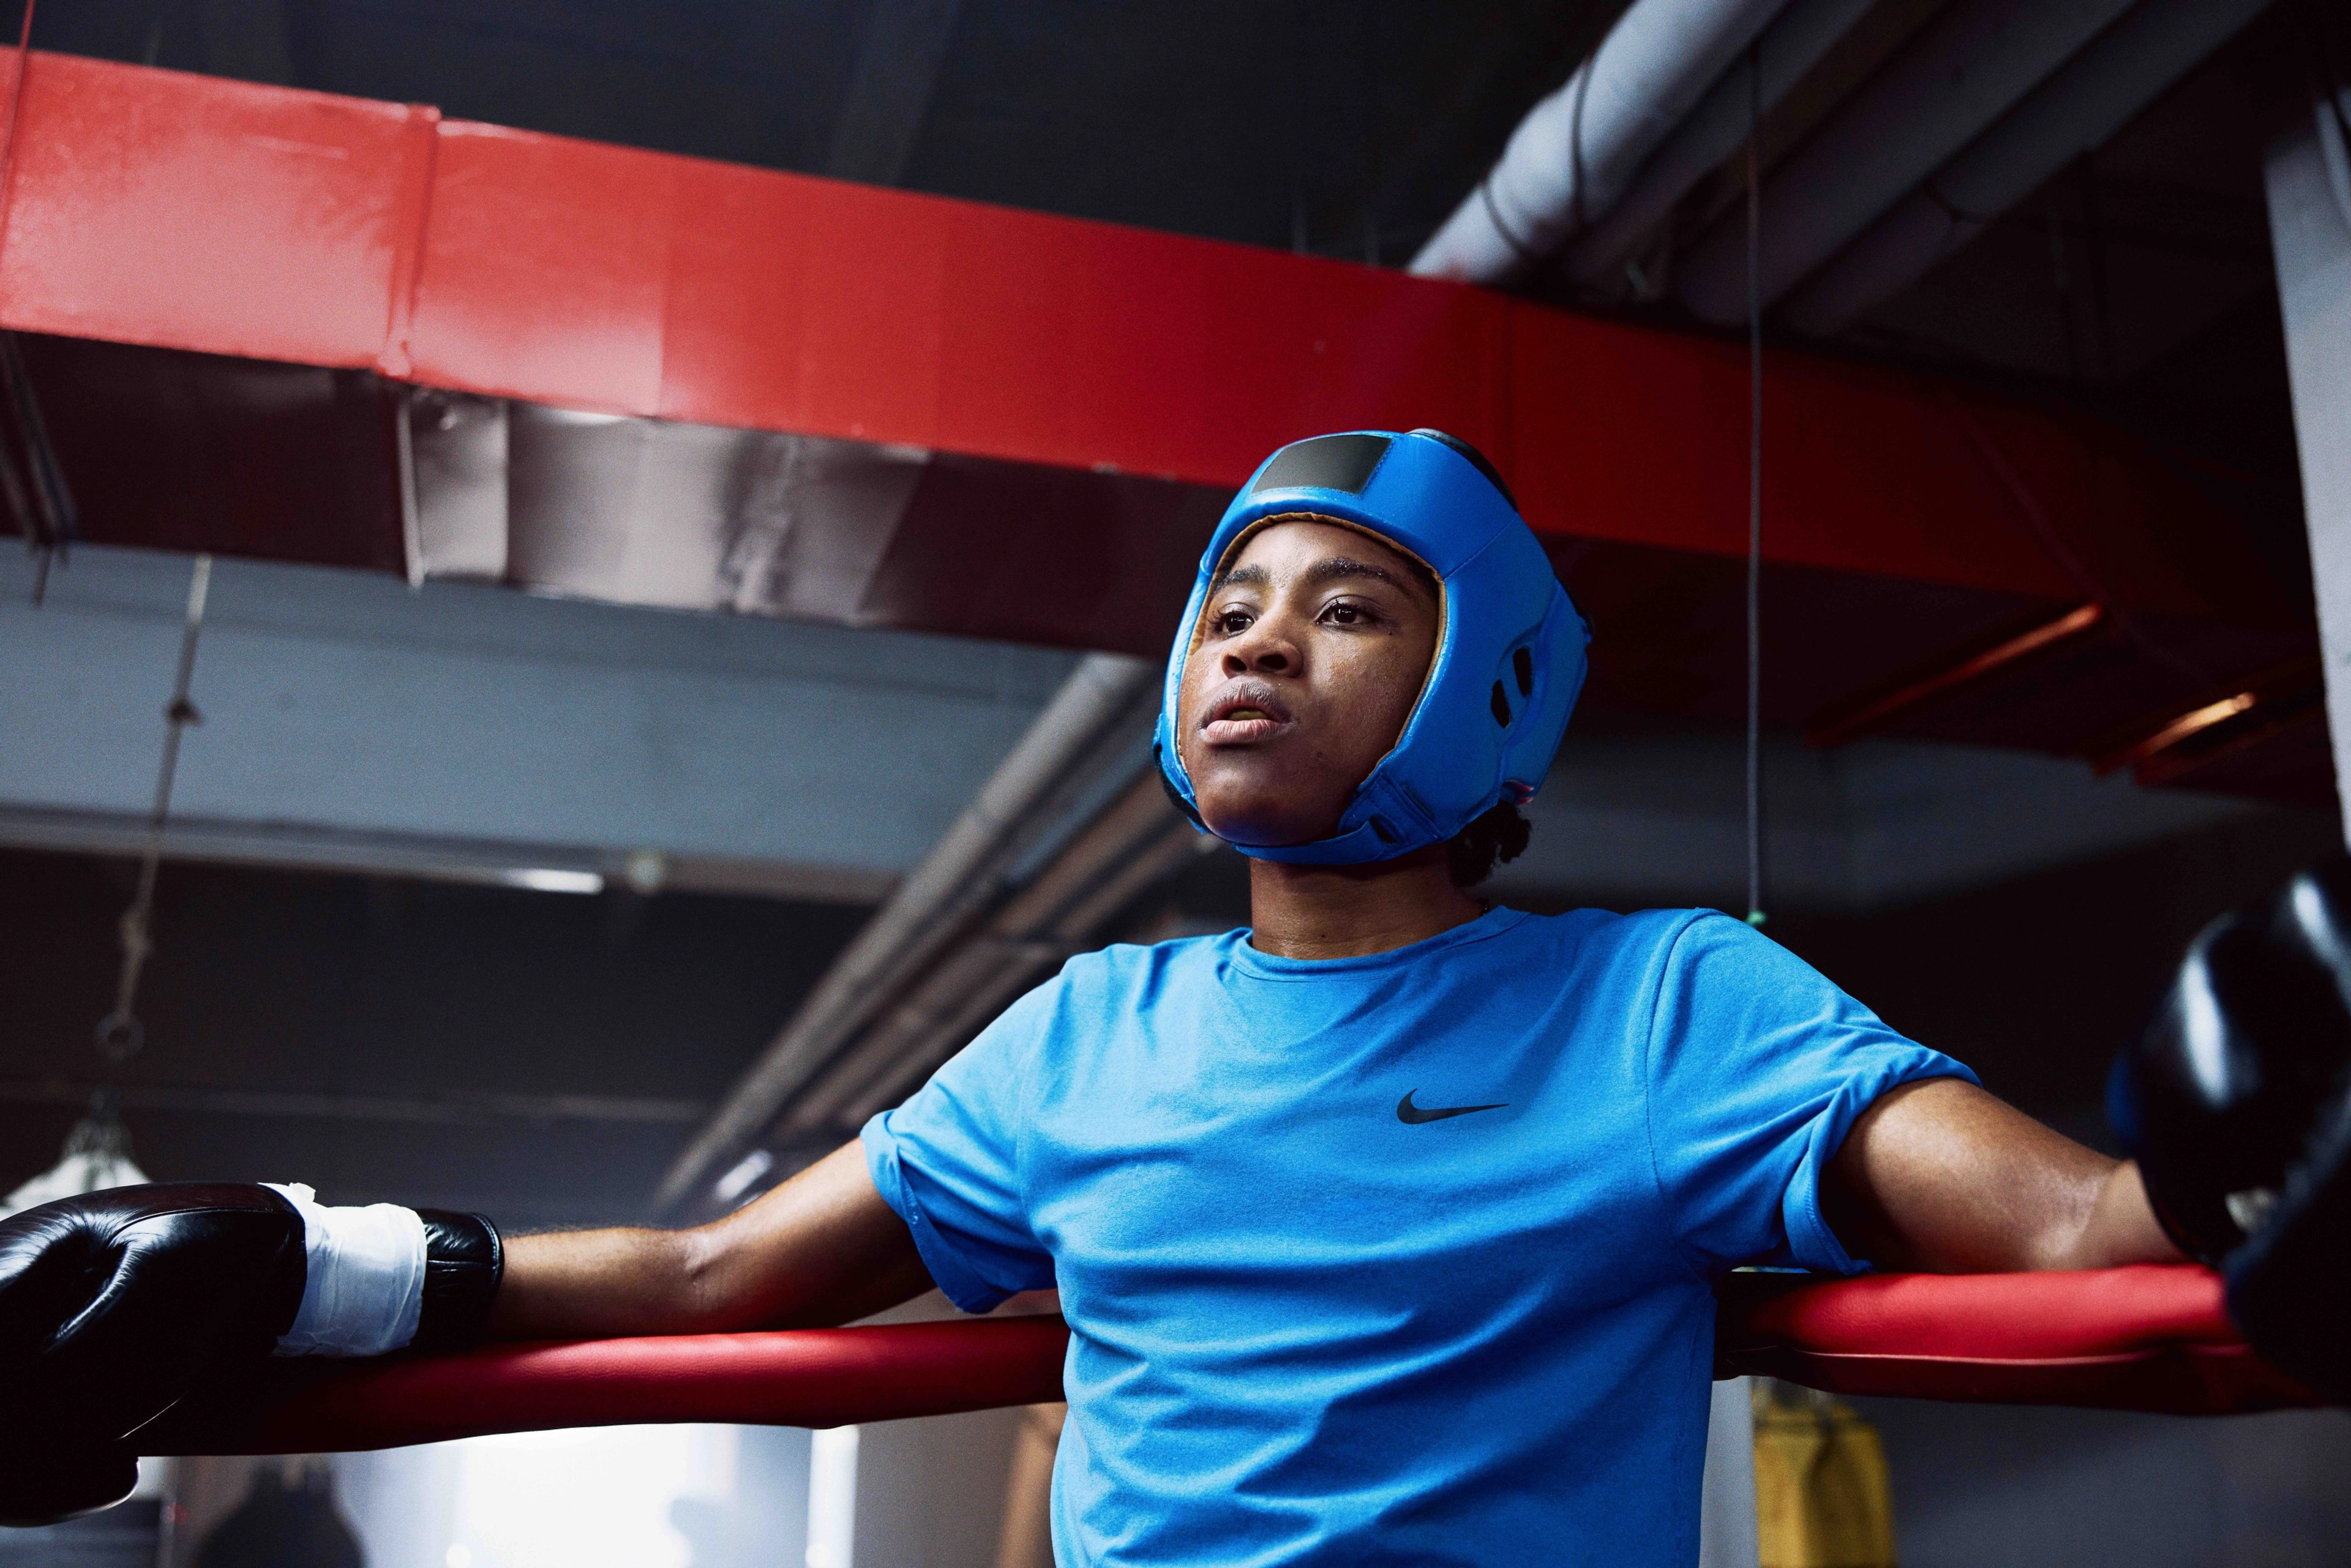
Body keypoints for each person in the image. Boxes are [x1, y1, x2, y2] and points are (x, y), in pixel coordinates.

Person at [1, 430, 2341, 1561]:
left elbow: (2069, 1231)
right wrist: (304, 1270)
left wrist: (2272, 1156)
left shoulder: (1665, 1005)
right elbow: (719, 1269)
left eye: (1349, 606)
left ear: (1490, 689)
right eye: (1235, 599)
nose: (1254, 637)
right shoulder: (1086, 1034)